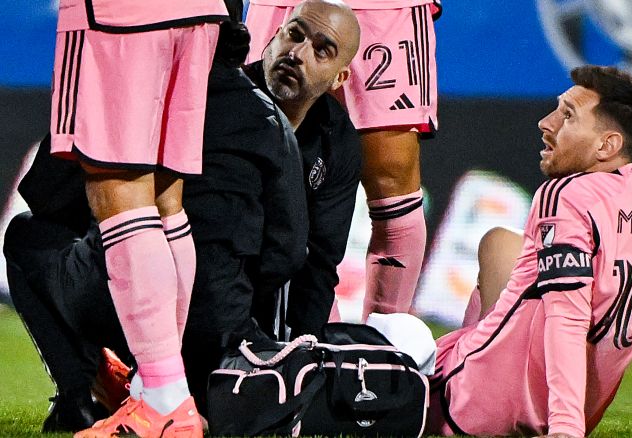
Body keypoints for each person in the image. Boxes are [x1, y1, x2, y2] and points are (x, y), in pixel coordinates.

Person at [5, 1, 361, 432]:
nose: (297, 53)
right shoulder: (263, 119)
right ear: (264, 34)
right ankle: (162, 388)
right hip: (230, 325)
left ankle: (122, 396)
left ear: (341, 75)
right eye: (295, 34)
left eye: (321, 50)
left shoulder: (154, 80)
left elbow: (51, 193)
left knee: (60, 224)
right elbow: (289, 252)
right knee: (164, 205)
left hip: (161, 313)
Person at [425, 66, 632, 438]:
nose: (546, 122)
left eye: (568, 115)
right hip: (563, 413)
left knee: (402, 334)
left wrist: (566, 430)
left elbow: (568, 319)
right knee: (503, 244)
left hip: (467, 406)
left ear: (606, 145)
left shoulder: (566, 195)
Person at [49, 0, 229, 434]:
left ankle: (165, 402)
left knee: (119, 190)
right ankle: (157, 390)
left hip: (120, 15)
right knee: (166, 200)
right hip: (200, 13)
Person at [245, 0, 441, 321]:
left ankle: (380, 354)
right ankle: (301, 346)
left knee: (393, 185)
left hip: (381, 8)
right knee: (258, 171)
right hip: (284, 6)